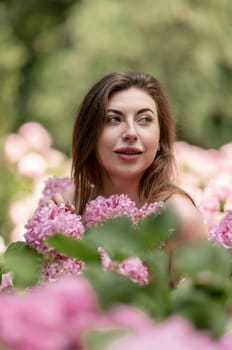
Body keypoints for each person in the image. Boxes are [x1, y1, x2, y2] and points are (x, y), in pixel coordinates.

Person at [53, 71, 208, 244]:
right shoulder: (69, 204)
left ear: (159, 139)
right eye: (113, 119)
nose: (131, 133)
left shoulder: (181, 219)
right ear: (90, 135)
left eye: (144, 119)